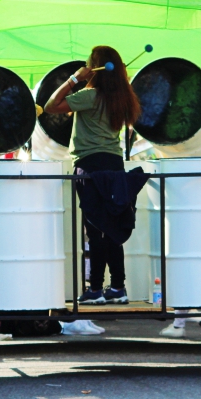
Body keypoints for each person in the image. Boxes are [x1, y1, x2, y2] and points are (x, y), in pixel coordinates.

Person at [45, 46, 142, 305]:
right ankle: (118, 287)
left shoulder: (89, 96)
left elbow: (51, 106)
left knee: (96, 228)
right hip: (115, 165)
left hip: (90, 166)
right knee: (111, 227)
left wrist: (74, 79)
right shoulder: (124, 97)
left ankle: (96, 288)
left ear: (95, 68)